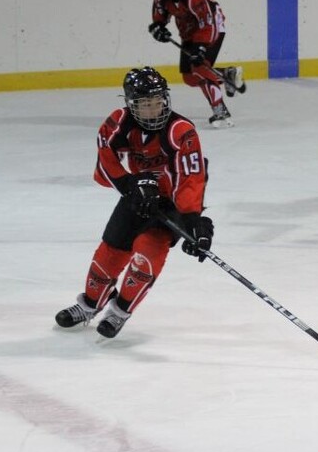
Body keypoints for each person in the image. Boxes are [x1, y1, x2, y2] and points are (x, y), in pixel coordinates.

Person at [55, 66, 214, 339]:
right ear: (131, 104)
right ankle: (90, 304)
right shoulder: (118, 123)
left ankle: (119, 311)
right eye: (145, 103)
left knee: (147, 256)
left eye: (157, 101)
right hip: (136, 197)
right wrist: (131, 185)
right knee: (110, 251)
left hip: (171, 204)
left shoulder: (181, 130)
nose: (154, 108)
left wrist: (192, 221)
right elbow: (105, 164)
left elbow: (191, 177)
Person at [148, 0, 244, 128]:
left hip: (213, 28)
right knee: (190, 78)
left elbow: (209, 24)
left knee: (199, 68)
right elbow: (160, 17)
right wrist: (158, 27)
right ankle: (226, 74)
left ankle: (219, 109)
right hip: (189, 33)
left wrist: (201, 47)